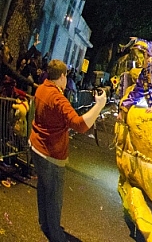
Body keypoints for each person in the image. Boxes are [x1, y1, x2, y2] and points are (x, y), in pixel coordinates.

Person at [29, 59, 107, 242]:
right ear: (62, 76)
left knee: (43, 189)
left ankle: (45, 224)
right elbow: (80, 125)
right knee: (54, 197)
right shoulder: (58, 98)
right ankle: (56, 235)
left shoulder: (42, 89)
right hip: (51, 154)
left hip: (36, 147)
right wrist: (99, 105)